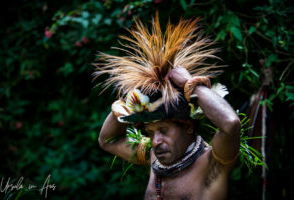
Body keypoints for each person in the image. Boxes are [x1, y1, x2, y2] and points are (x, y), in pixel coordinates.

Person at [95, 14, 240, 200]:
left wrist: (190, 83)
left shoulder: (213, 164)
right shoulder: (154, 157)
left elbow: (231, 124)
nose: (155, 141)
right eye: (150, 132)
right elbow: (106, 140)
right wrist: (132, 100)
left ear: (188, 126)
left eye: (163, 130)